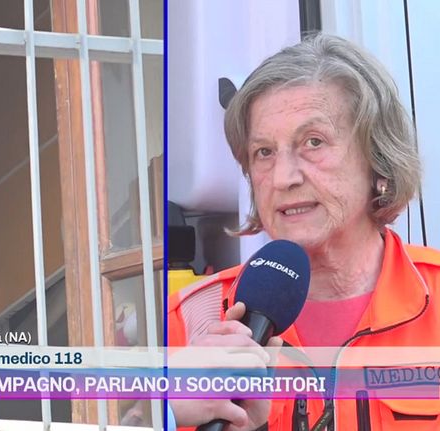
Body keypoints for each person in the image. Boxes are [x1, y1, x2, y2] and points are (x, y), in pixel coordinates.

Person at [169, 33, 440, 430]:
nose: (283, 178)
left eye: (314, 142)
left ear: (379, 160)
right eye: (264, 152)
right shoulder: (186, 321)